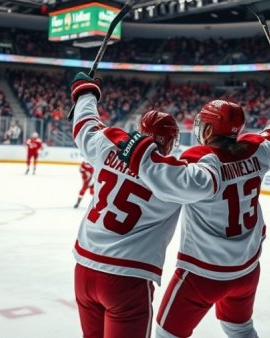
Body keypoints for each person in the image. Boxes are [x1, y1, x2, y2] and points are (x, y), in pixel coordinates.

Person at [116, 52, 270, 338]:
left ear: (209, 127)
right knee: (240, 328)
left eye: (203, 122)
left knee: (167, 334)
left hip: (202, 274)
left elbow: (167, 182)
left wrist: (141, 154)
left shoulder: (201, 159)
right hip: (247, 269)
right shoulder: (258, 150)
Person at [70, 72, 181, 338]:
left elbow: (84, 126)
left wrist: (86, 92)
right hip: (128, 277)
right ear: (168, 141)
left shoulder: (109, 143)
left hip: (84, 268)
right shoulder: (175, 173)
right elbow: (212, 180)